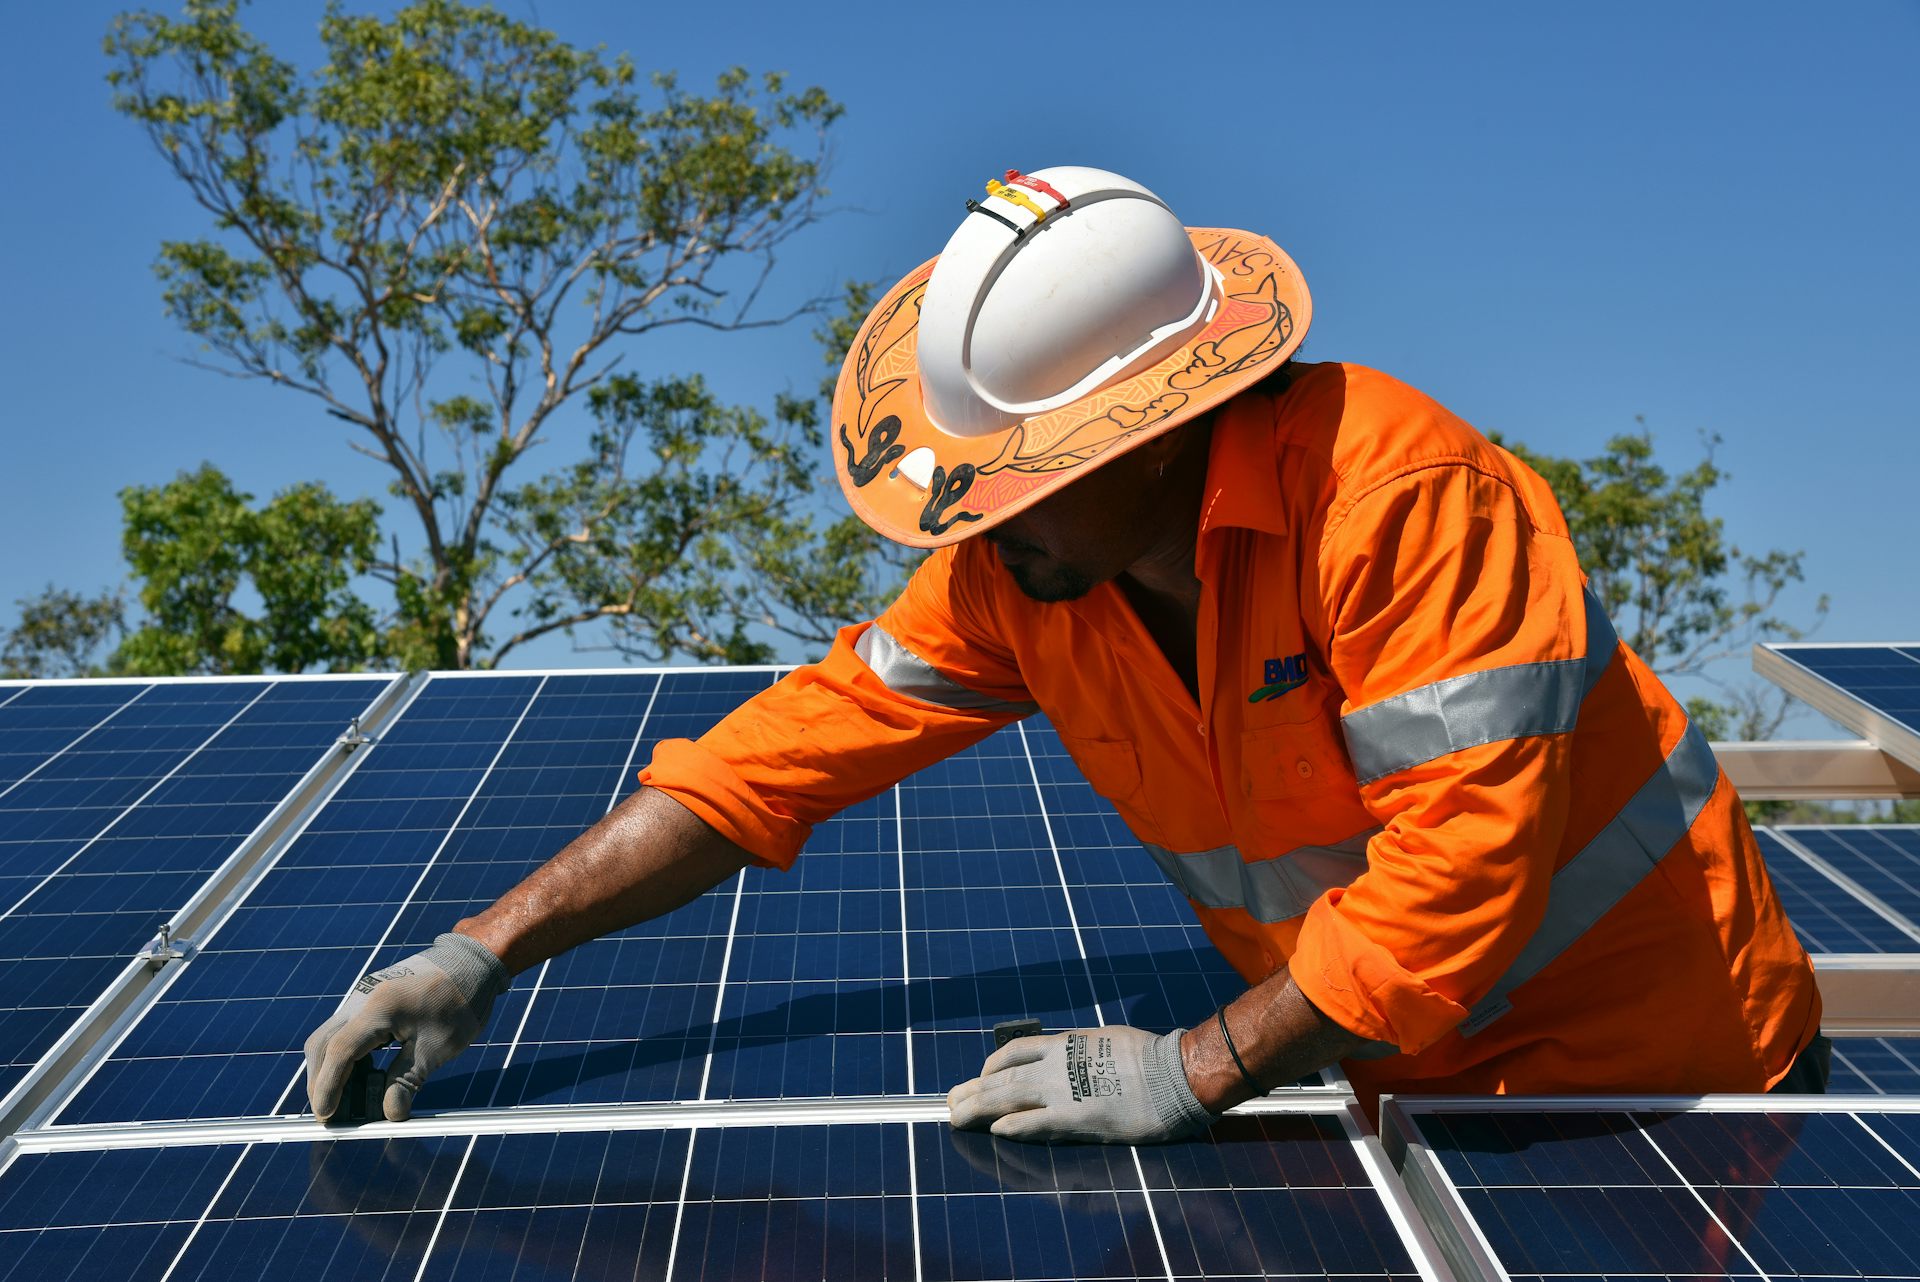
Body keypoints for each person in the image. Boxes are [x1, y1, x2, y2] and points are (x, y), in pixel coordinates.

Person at [305, 166, 1826, 1142]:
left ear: (1162, 431)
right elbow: (771, 761)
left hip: (1668, 1094)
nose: (978, 523)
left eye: (1019, 478)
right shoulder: (1023, 581)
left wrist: (1194, 1065)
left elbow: (1449, 896)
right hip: (1385, 1087)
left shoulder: (1401, 505)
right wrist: (488, 943)